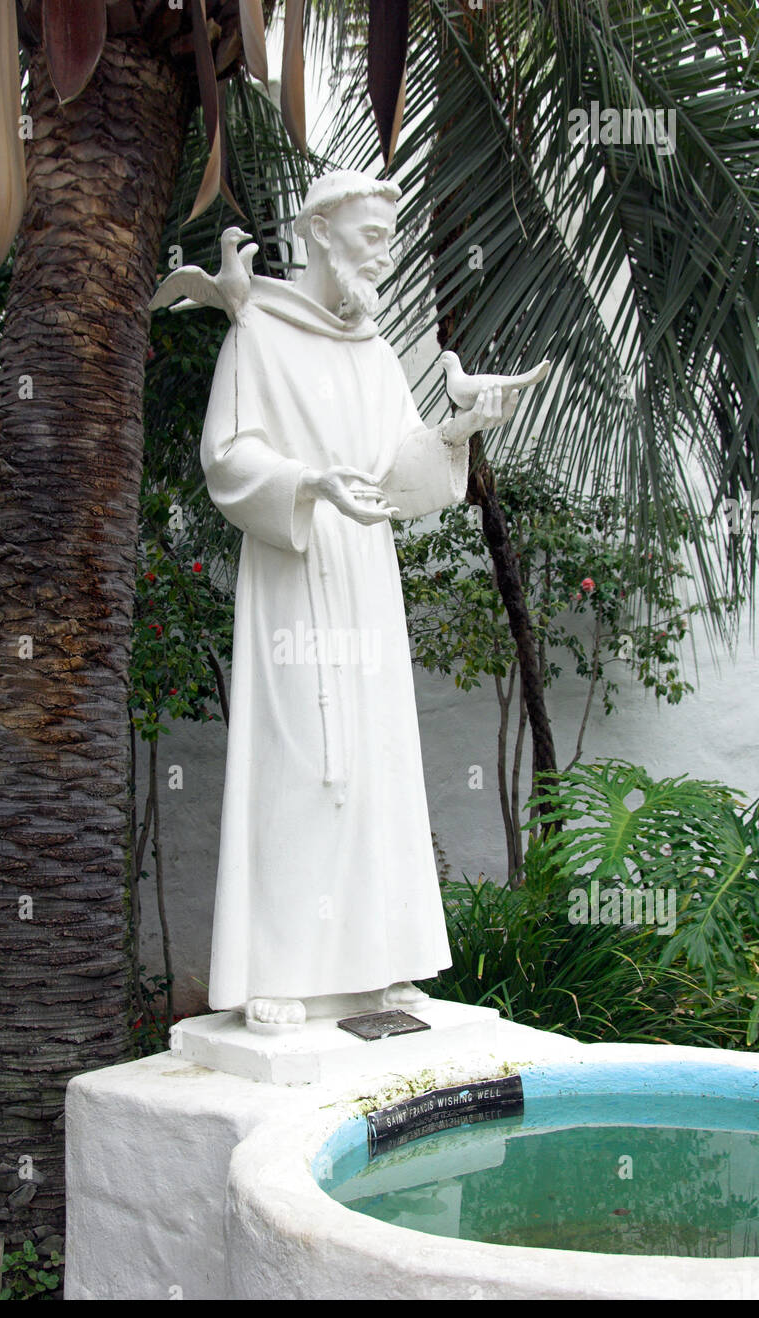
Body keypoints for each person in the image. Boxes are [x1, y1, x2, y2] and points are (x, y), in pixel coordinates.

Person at [200, 170, 518, 1032]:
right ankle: (279, 965)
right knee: (301, 759)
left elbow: (398, 468)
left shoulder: (375, 354)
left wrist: (455, 432)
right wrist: (309, 484)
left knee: (373, 759)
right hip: (295, 571)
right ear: (323, 234)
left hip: (365, 581)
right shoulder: (258, 335)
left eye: (387, 237)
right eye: (372, 237)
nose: (384, 254)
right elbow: (227, 459)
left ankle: (380, 964)